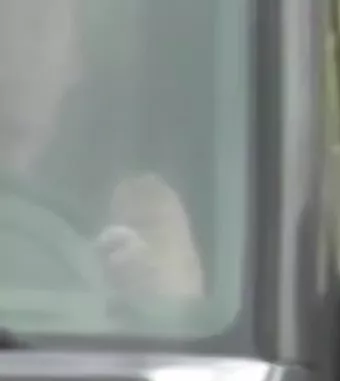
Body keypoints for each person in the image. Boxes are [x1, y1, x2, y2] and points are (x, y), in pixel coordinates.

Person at [0, 0, 202, 299]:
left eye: (42, 27)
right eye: (30, 22)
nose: (71, 63)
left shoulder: (126, 223)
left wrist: (172, 295)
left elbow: (181, 323)